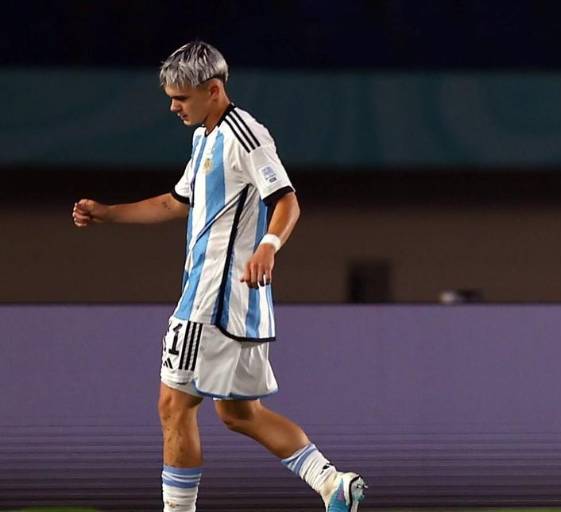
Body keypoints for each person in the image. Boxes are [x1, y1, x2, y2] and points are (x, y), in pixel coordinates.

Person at [71, 41, 366, 512]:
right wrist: (108, 213)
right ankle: (331, 482)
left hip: (210, 301)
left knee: (174, 407)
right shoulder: (205, 137)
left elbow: (287, 200)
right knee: (239, 413)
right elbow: (174, 202)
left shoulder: (245, 136)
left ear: (213, 90)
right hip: (233, 306)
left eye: (181, 98)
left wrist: (268, 246)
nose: (173, 106)